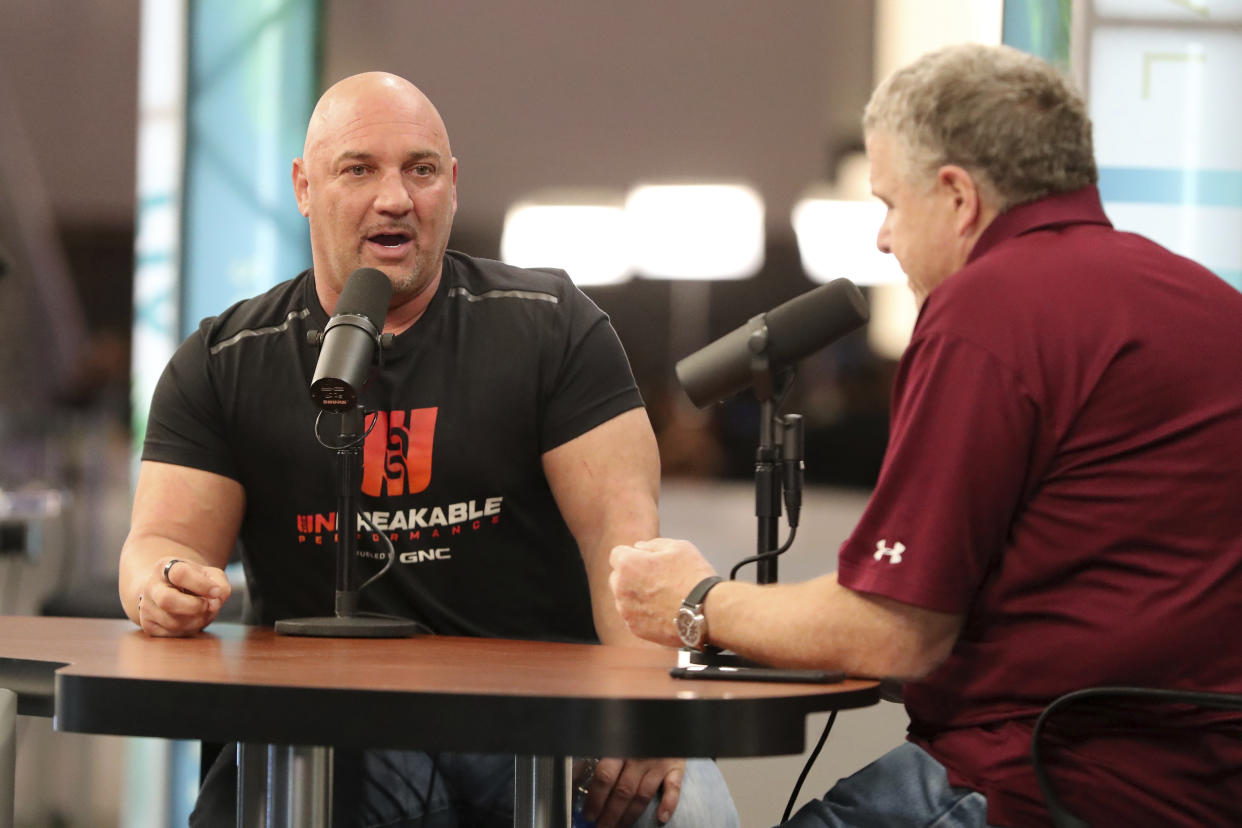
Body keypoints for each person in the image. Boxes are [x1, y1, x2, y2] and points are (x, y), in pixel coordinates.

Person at [609, 43, 1242, 828]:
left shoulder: (990, 308)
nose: (882, 240)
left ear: (957, 197)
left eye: (889, 204)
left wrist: (694, 600)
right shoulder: (1209, 300)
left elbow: (893, 631)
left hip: (1043, 780)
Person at [117, 71, 738, 828]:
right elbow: (163, 542)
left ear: (451, 185)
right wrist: (162, 583)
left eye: (421, 169)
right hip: (326, 728)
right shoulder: (226, 357)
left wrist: (647, 709)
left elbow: (627, 545)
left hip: (541, 723)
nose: (395, 197)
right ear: (303, 186)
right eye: (359, 169)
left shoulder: (552, 327)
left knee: (695, 810)